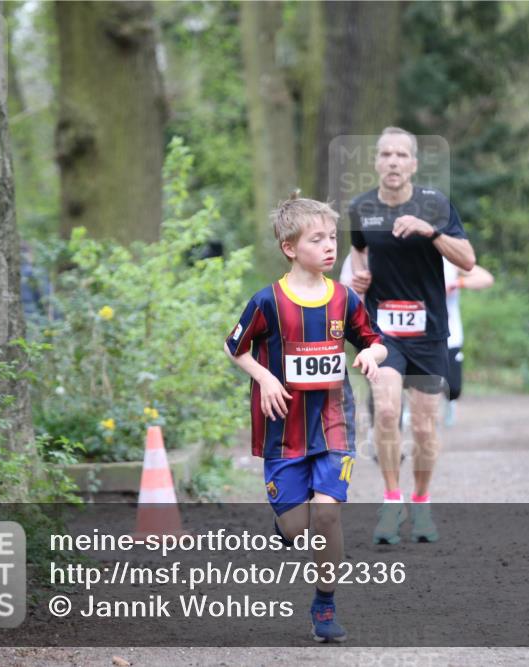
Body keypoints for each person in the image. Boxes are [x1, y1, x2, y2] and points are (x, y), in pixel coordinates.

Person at [224, 194, 387, 641]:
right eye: (317, 239)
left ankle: (325, 602)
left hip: (334, 422)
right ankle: (285, 524)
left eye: (332, 237)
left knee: (327, 515)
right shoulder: (267, 301)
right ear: (290, 248)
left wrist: (370, 356)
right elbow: (234, 347)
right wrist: (265, 378)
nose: (330, 246)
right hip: (283, 429)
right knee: (298, 528)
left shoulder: (345, 298)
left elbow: (375, 341)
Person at [347, 127, 476, 544]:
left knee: (423, 426)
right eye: (386, 154)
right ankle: (391, 501)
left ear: (414, 164)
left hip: (429, 332)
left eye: (401, 155)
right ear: (376, 162)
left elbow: (468, 260)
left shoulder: (435, 205)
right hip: (382, 332)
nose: (393, 161)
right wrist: (359, 278)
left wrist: (430, 231)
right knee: (386, 411)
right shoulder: (361, 207)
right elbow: (358, 252)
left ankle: (420, 502)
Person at [443, 257, 494, 425]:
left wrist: (457, 283)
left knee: (454, 387)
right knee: (415, 379)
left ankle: (450, 403)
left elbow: (486, 278)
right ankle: (409, 411)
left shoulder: (450, 261)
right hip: (420, 335)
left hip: (451, 334)